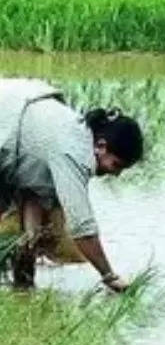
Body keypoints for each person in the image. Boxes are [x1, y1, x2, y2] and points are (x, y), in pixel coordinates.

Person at [0, 78, 143, 291]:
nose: (115, 174)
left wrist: (26, 276)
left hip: (12, 115)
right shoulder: (74, 152)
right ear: (101, 146)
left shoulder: (72, 134)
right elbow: (82, 226)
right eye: (116, 165)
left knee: (26, 234)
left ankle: (22, 287)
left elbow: (33, 199)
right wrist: (109, 276)